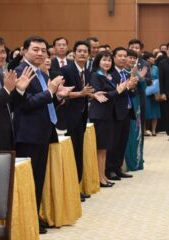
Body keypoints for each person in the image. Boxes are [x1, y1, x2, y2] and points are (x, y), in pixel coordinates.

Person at [14, 36, 73, 234]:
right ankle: (29, 219)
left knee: (39, 178)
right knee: (30, 179)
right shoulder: (22, 72)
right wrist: (49, 91)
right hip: (28, 134)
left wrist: (56, 96)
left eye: (43, 51)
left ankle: (35, 217)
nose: (40, 54)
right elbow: (25, 104)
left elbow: (44, 103)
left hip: (42, 132)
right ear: (24, 51)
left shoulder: (39, 72)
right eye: (35, 50)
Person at [61, 40, 108, 201]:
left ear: (89, 55)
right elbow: (62, 94)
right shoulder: (66, 70)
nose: (82, 53)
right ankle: (72, 189)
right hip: (68, 116)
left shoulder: (87, 72)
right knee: (72, 152)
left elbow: (85, 91)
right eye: (79, 51)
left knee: (79, 151)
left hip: (82, 116)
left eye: (85, 51)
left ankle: (78, 187)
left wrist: (92, 95)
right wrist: (81, 94)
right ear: (74, 52)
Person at [0, 34, 33, 150]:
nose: (5, 55)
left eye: (5, 52)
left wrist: (19, 90)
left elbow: (7, 107)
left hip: (4, 139)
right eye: (1, 52)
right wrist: (6, 89)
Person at [89, 51, 124, 187]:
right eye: (104, 60)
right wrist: (117, 91)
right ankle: (99, 178)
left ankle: (103, 175)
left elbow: (110, 95)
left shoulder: (110, 76)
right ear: (98, 61)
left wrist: (118, 90)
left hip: (109, 115)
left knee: (104, 148)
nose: (107, 62)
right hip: (99, 115)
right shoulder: (95, 76)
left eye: (109, 60)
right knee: (100, 148)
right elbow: (102, 96)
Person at [106, 47, 137, 180]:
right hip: (115, 112)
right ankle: (110, 169)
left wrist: (131, 88)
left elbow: (129, 92)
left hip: (127, 111)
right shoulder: (111, 74)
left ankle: (118, 168)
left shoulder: (125, 73)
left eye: (125, 56)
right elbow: (114, 93)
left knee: (122, 142)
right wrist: (127, 87)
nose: (123, 58)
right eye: (120, 56)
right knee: (113, 142)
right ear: (114, 58)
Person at [124, 49, 147, 171]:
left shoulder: (136, 71)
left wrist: (141, 78)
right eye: (130, 57)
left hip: (136, 103)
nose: (132, 60)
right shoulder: (122, 71)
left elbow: (143, 88)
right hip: (126, 103)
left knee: (136, 133)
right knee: (127, 134)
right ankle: (127, 163)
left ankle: (137, 162)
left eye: (134, 58)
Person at [143, 51, 161, 136]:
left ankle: (154, 130)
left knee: (155, 111)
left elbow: (159, 79)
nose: (153, 59)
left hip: (155, 90)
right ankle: (144, 130)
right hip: (145, 90)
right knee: (145, 111)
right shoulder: (144, 68)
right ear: (147, 59)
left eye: (154, 57)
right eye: (151, 57)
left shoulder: (156, 68)